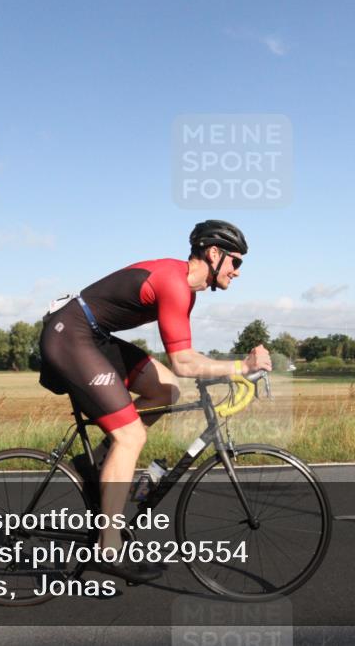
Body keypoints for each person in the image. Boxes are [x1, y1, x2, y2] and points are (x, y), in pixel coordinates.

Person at [38, 220, 272, 583]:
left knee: (166, 391)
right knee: (130, 437)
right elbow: (183, 362)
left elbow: (184, 360)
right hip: (70, 336)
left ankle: (97, 461)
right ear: (213, 253)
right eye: (235, 262)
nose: (237, 272)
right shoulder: (174, 284)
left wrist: (232, 368)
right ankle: (109, 547)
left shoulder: (186, 291)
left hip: (93, 337)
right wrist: (241, 367)